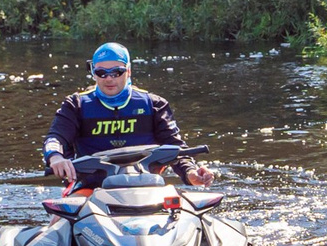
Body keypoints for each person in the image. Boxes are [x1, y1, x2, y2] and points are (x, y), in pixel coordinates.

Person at [42, 42, 215, 187]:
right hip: (90, 189)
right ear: (93, 74)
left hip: (148, 186)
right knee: (60, 220)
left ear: (129, 71)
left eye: (117, 72)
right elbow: (54, 139)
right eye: (101, 73)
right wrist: (55, 157)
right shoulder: (75, 105)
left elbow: (176, 147)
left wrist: (191, 173)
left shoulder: (154, 105)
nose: (109, 79)